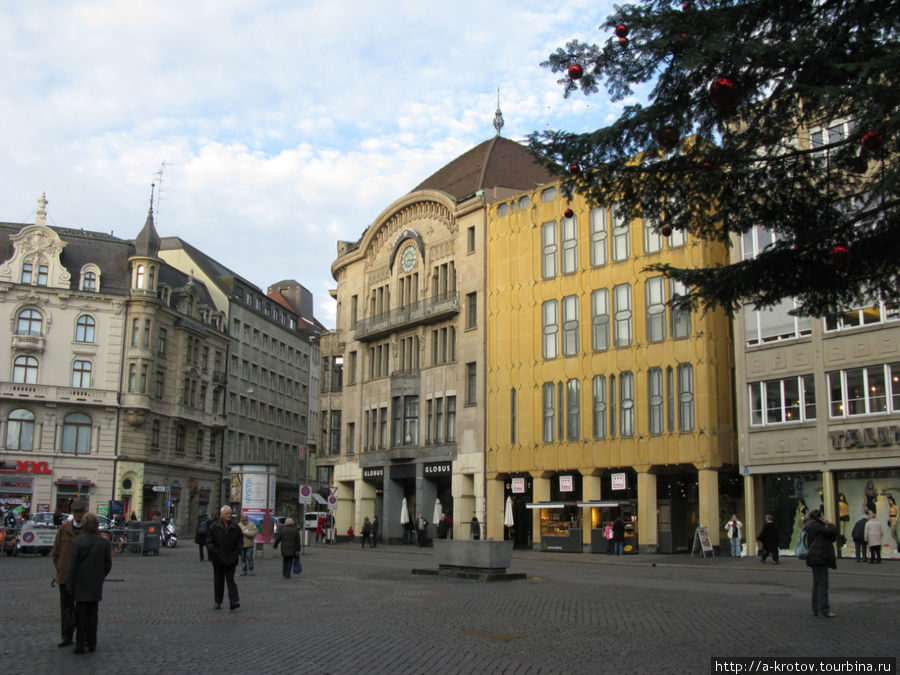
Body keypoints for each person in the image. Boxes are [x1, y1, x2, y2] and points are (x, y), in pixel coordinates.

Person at [66, 513, 111, 654]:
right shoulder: (103, 542)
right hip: (95, 584)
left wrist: (70, 585)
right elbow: (108, 564)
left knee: (80, 616)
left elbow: (72, 566)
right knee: (93, 615)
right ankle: (92, 643)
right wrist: (99, 576)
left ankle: (80, 644)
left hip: (80, 583)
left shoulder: (77, 542)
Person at [52, 499, 86, 648]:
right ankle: (66, 636)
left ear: (84, 512)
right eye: (76, 512)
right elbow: (56, 552)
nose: (78, 515)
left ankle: (82, 637)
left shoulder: (89, 529)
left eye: (81, 512)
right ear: (73, 513)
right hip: (65, 576)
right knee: (66, 608)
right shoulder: (64, 529)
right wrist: (60, 568)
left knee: (83, 609)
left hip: (83, 578)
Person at [803, 509, 838, 618]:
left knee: (817, 583)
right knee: (822, 583)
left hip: (814, 557)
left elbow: (830, 537)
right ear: (819, 517)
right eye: (822, 516)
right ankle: (823, 609)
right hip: (820, 557)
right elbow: (833, 532)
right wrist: (828, 523)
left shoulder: (811, 526)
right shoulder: (817, 526)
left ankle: (816, 609)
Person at [207, 505, 242, 610]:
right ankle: (218, 601)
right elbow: (209, 542)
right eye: (227, 514)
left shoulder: (235, 527)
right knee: (218, 581)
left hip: (231, 559)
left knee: (231, 580)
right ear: (222, 515)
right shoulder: (214, 527)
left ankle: (234, 601)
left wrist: (236, 553)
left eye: (230, 514)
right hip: (218, 559)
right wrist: (215, 552)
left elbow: (240, 542)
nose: (229, 516)